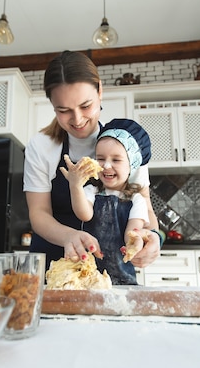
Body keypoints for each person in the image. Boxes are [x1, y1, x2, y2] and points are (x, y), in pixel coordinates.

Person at [23, 50, 160, 273]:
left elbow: (144, 204)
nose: (77, 120)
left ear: (100, 91)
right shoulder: (41, 146)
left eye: (85, 106)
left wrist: (154, 237)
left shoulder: (126, 142)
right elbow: (38, 213)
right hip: (51, 262)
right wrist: (70, 236)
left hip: (109, 267)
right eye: (64, 110)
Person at [60, 118, 151, 284]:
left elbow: (131, 233)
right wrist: (75, 185)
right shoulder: (92, 191)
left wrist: (136, 242)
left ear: (132, 165)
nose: (106, 165)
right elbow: (84, 214)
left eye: (116, 160)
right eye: (101, 158)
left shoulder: (136, 200)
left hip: (123, 277)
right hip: (88, 274)